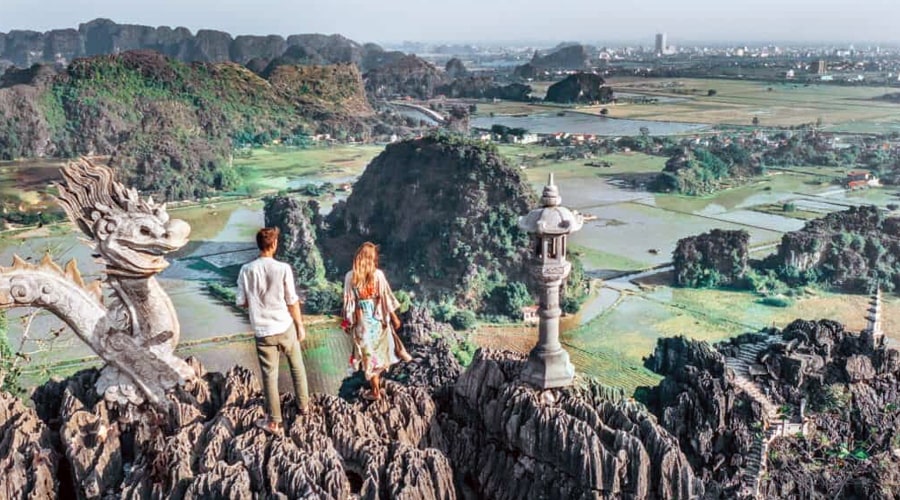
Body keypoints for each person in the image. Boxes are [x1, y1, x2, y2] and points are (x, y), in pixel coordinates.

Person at [236, 227, 309, 435]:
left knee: (270, 376)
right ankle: (304, 406)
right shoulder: (283, 268)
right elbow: (292, 301)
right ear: (274, 244)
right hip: (285, 327)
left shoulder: (246, 270)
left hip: (263, 331)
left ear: (259, 245)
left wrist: (257, 302)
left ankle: (274, 422)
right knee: (297, 367)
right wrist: (300, 326)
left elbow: (241, 301)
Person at [341, 242, 412, 401]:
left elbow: (348, 303)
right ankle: (376, 389)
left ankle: (375, 391)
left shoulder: (350, 277)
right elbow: (386, 298)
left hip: (362, 325)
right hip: (378, 321)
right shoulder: (378, 275)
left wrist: (347, 323)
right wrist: (394, 318)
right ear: (372, 258)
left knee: (370, 358)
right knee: (378, 356)